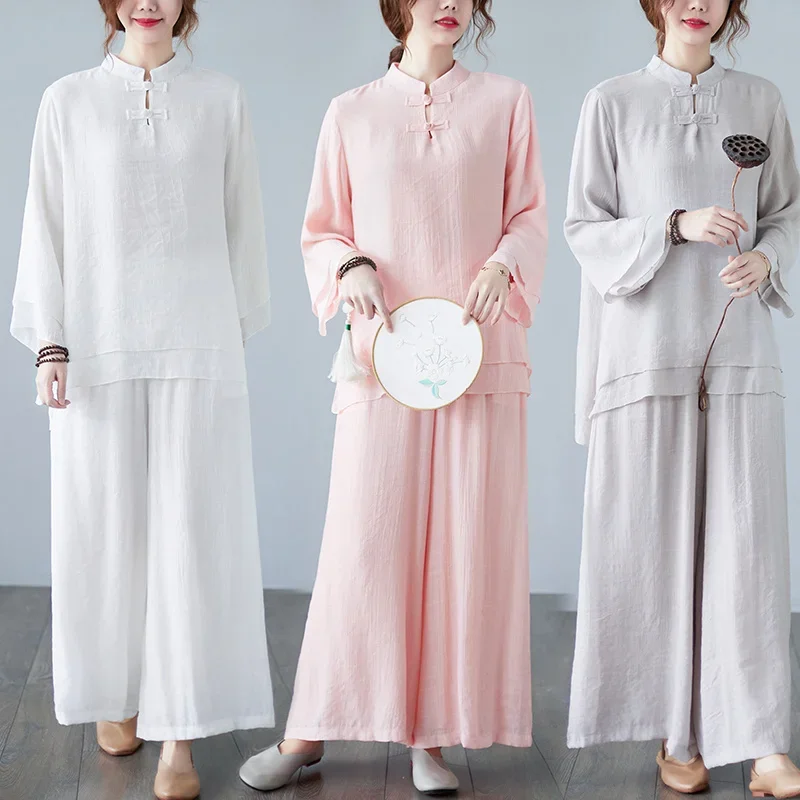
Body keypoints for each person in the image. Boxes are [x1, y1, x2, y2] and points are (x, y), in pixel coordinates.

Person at [239, 0, 547, 794]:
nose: (447, 4)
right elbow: (322, 230)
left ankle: (430, 737)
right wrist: (350, 267)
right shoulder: (351, 113)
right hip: (384, 355)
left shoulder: (507, 103)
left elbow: (528, 215)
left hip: (478, 352)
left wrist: (503, 263)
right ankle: (310, 729)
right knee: (364, 544)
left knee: (464, 544)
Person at [10, 2, 274, 798]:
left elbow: (244, 227)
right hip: (97, 345)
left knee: (191, 537)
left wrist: (226, 335)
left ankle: (179, 737)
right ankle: (114, 690)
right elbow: (46, 224)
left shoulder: (223, 97)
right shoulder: (68, 100)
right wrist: (51, 341)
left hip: (197, 345)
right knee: (102, 530)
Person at [564, 0, 800, 795]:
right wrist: (672, 224)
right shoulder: (612, 102)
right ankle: (677, 733)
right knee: (649, 549)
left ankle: (763, 744)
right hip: (644, 355)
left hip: (738, 356)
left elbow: (789, 212)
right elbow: (582, 226)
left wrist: (768, 259)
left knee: (748, 550)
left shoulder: (761, 99)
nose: (697, 4)